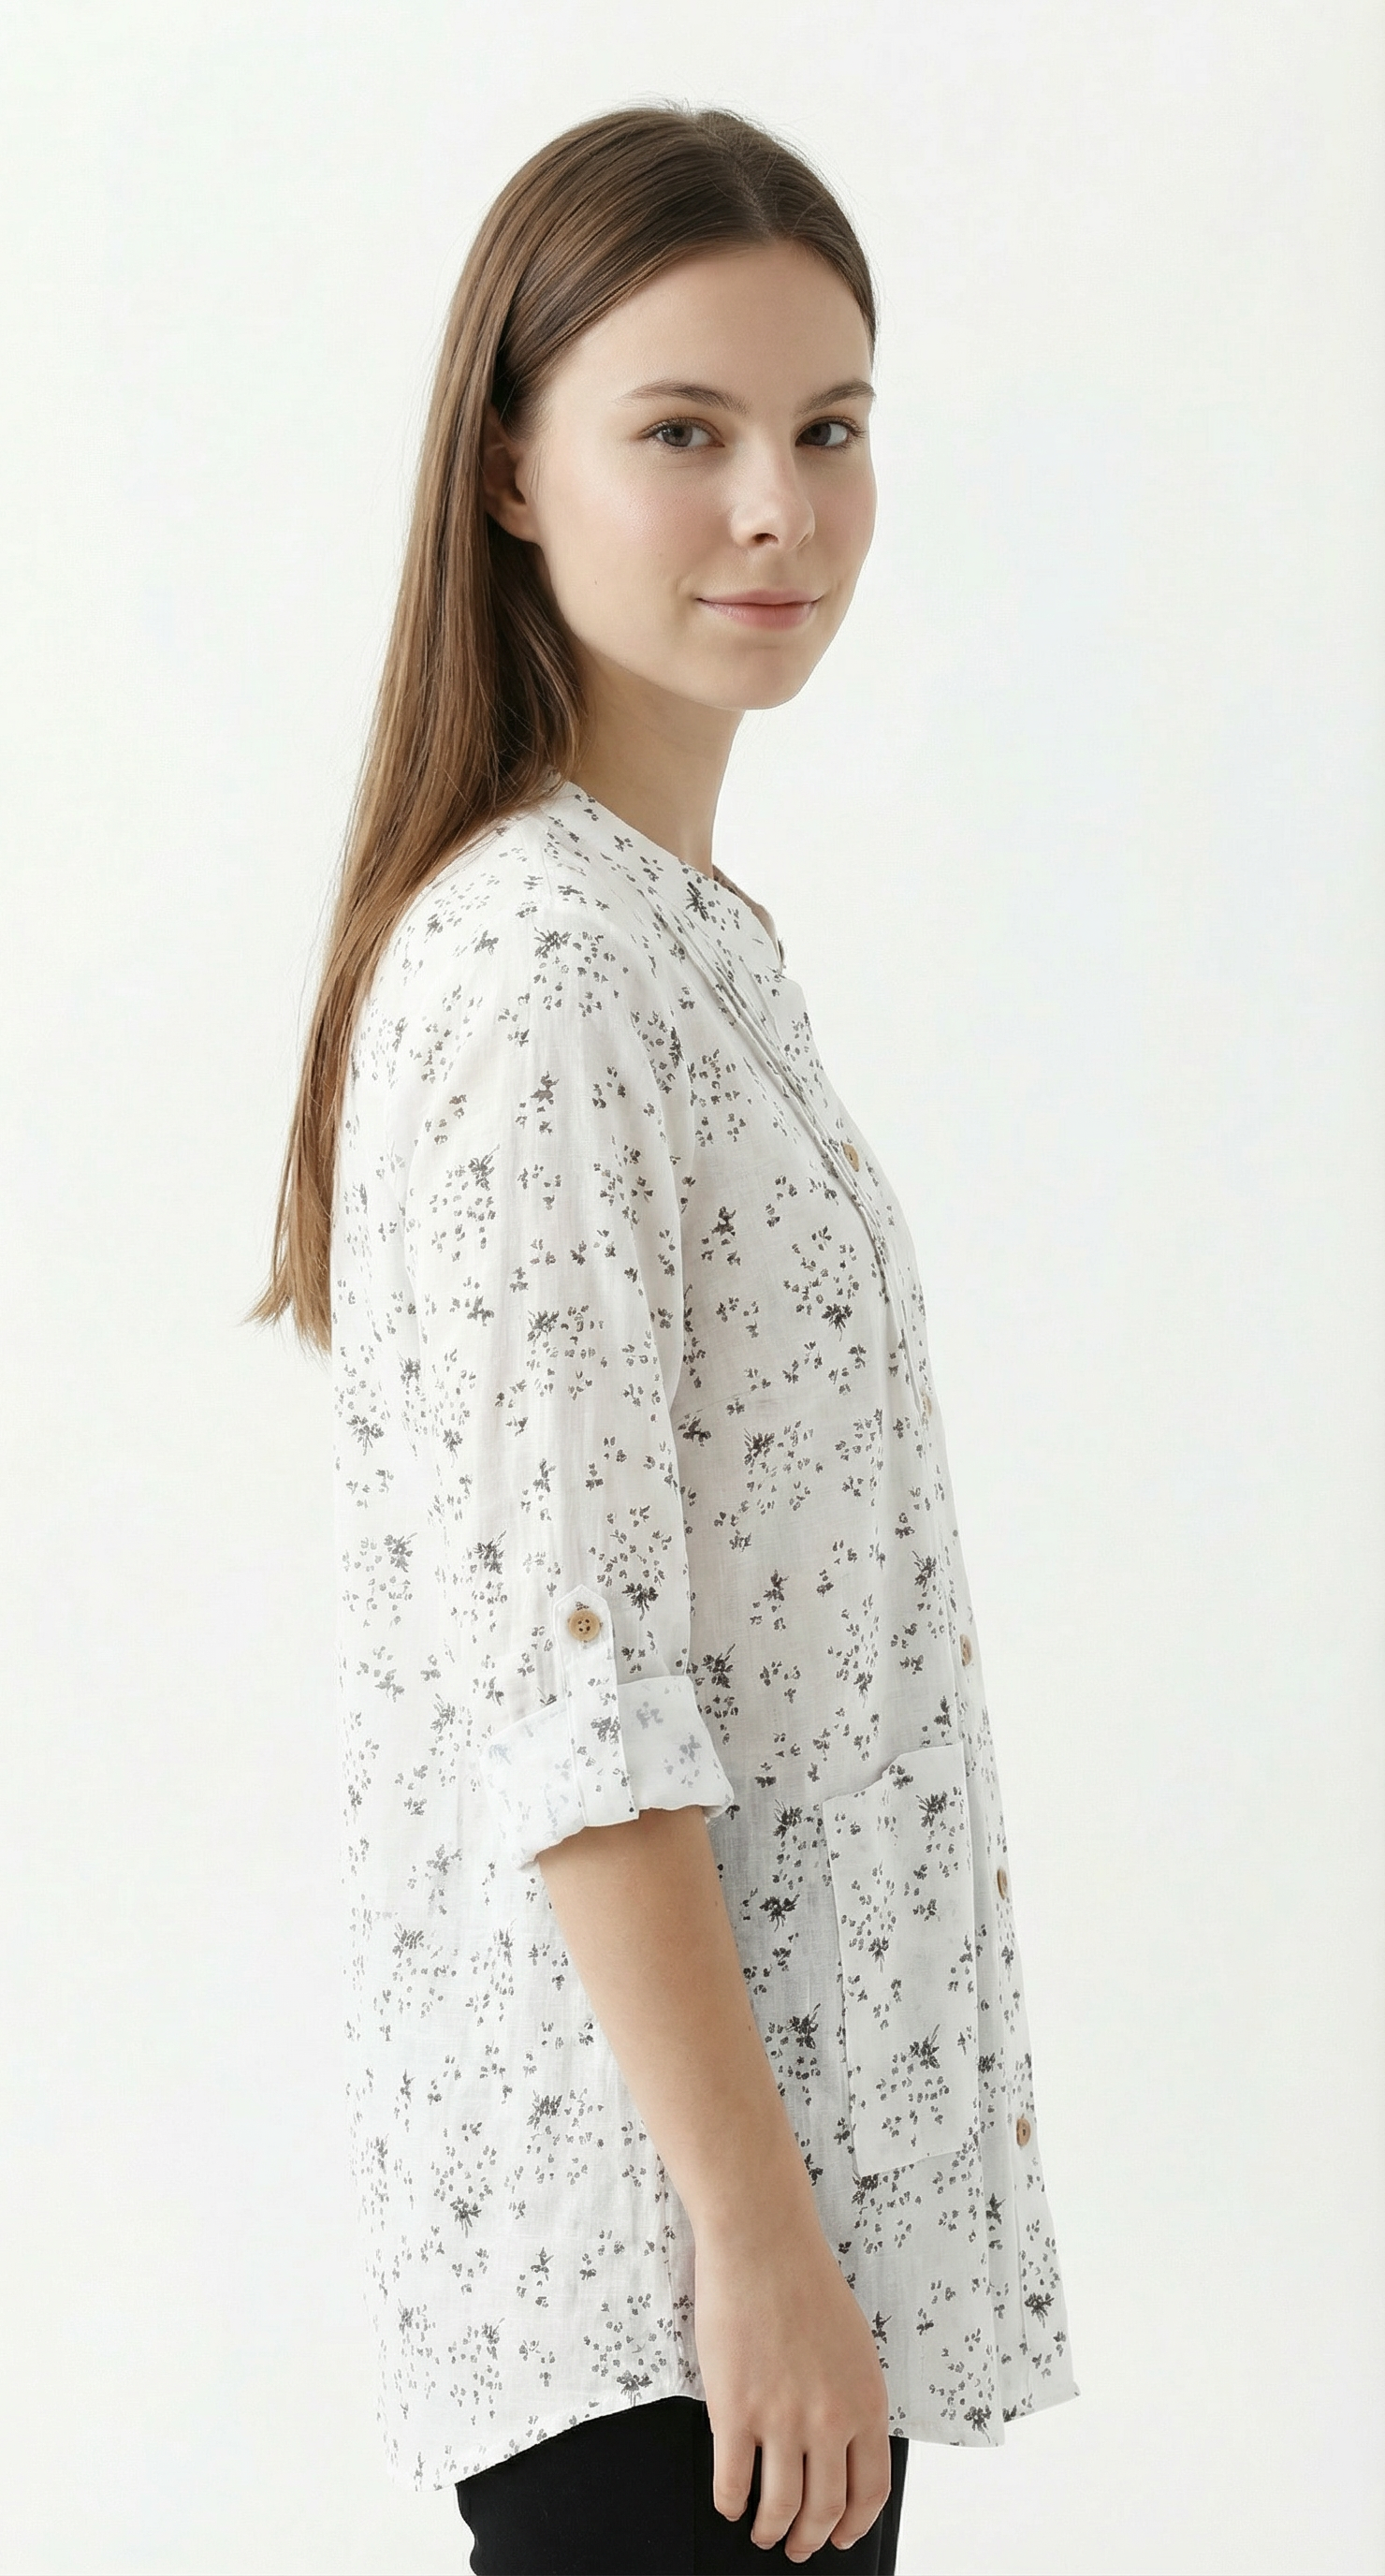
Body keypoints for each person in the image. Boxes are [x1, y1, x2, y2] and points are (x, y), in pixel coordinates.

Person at [253, 102, 1079, 2576]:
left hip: (735, 2265)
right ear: (511, 473)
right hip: (663, 2294)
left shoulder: (683, 946)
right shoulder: (539, 969)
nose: (779, 515)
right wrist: (752, 2237)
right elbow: (576, 1688)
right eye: (685, 435)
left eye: (829, 432)